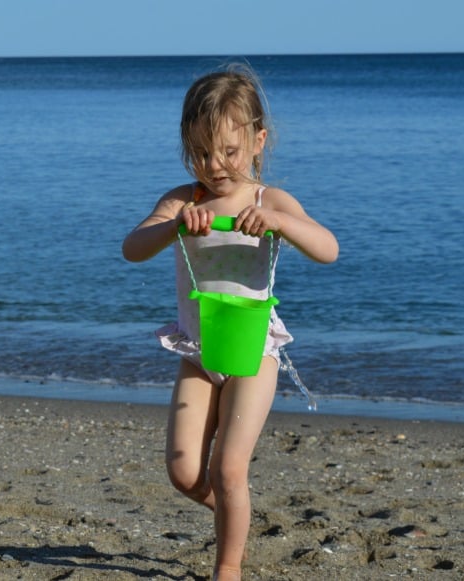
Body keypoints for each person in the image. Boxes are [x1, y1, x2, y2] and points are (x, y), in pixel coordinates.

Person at [122, 64, 339, 581]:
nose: (214, 166)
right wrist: (173, 226)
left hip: (252, 352)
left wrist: (283, 224)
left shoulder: (270, 202)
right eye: (199, 152)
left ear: (258, 142)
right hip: (197, 352)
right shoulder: (183, 200)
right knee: (184, 471)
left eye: (228, 152)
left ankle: (229, 568)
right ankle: (233, 513)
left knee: (229, 467)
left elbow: (328, 249)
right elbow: (132, 248)